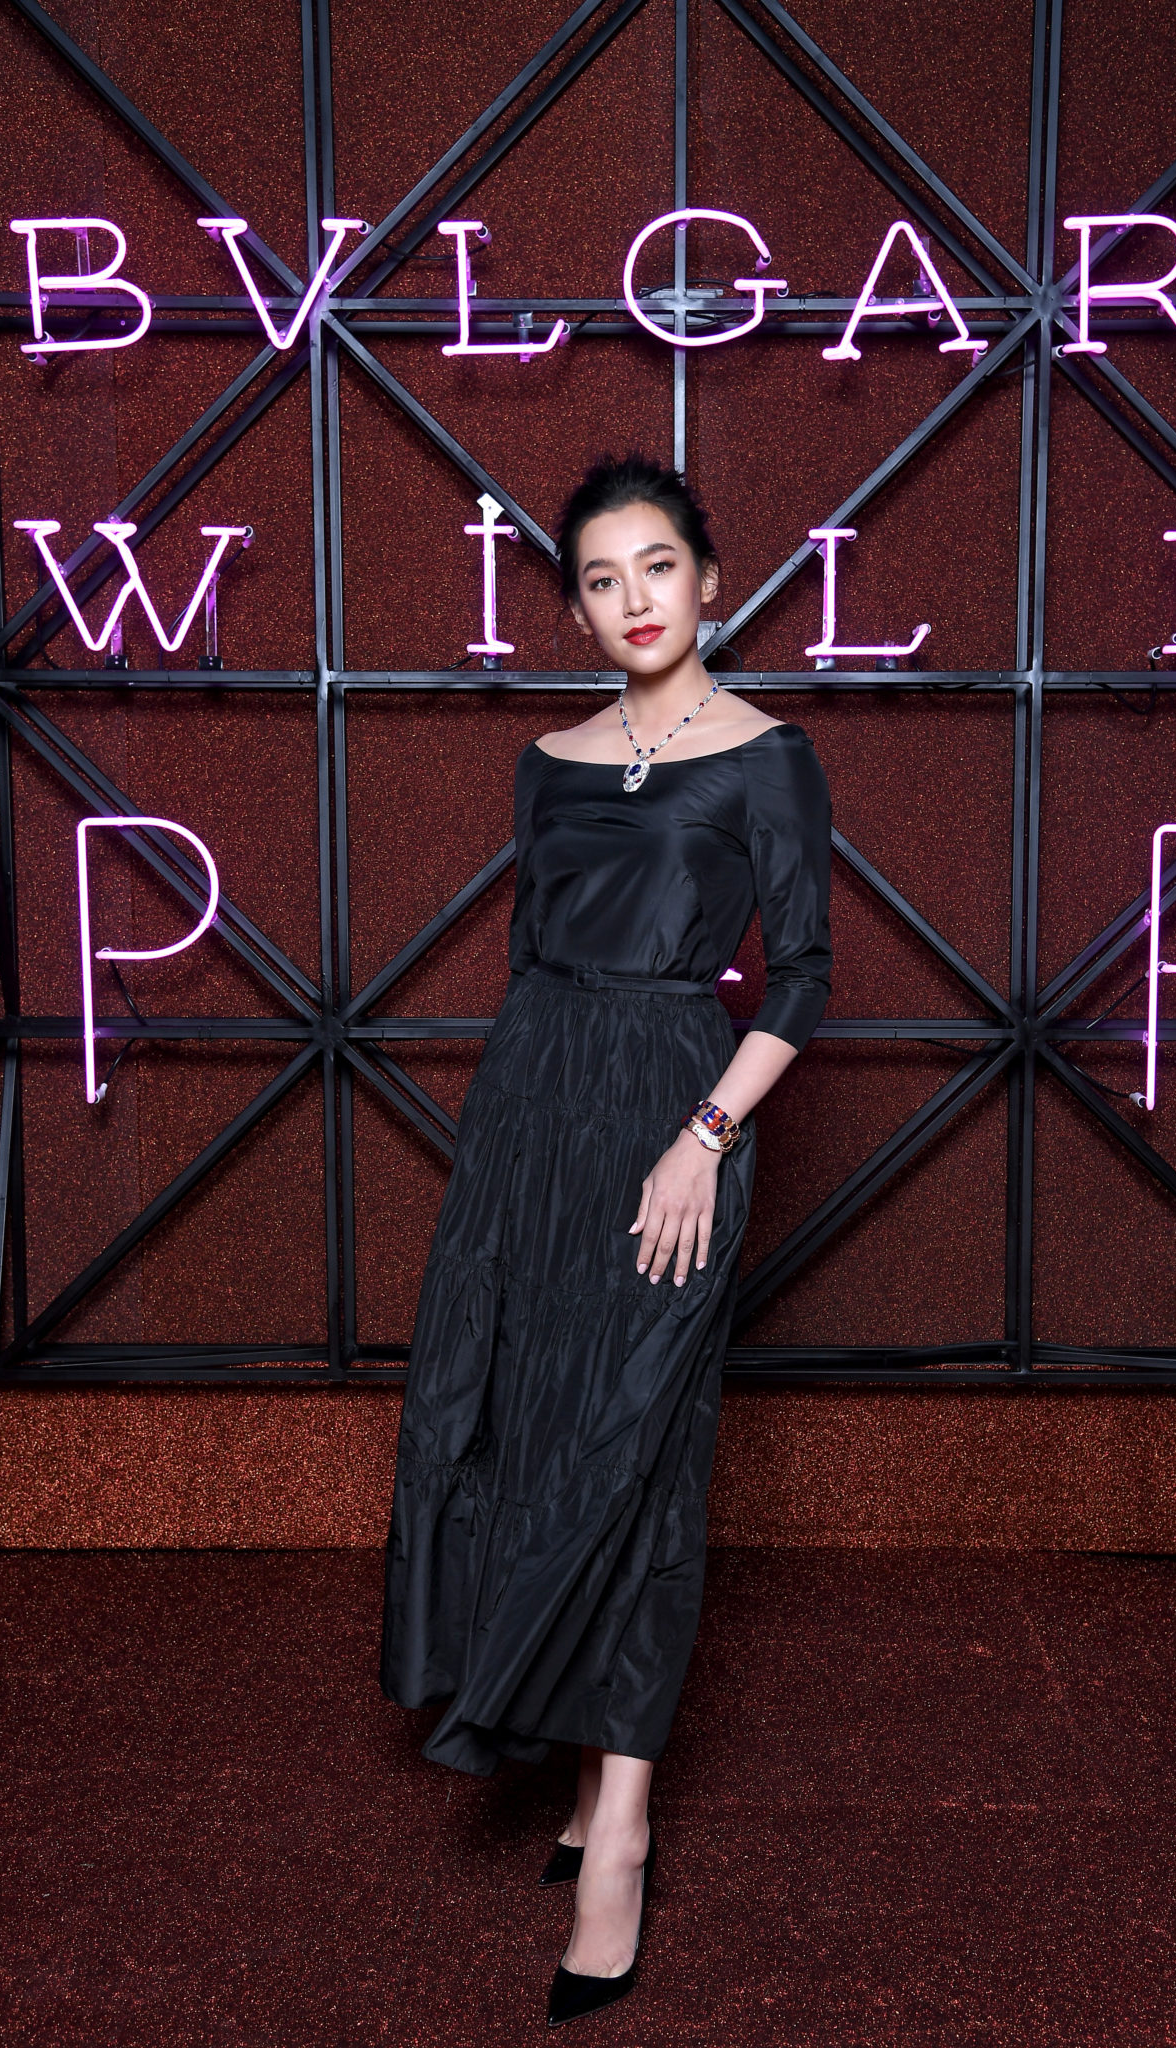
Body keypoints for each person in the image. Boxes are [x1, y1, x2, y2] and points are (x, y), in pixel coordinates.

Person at [380, 453, 832, 2026]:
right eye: (598, 578)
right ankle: (578, 1778)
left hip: (671, 1120)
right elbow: (529, 965)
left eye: (656, 566)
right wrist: (502, 1160)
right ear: (573, 608)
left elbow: (802, 980)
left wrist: (703, 1137)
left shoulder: (767, 760)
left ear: (708, 578)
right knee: (519, 1428)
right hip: (530, 1117)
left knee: (635, 1456)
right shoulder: (548, 761)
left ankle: (619, 1836)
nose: (632, 599)